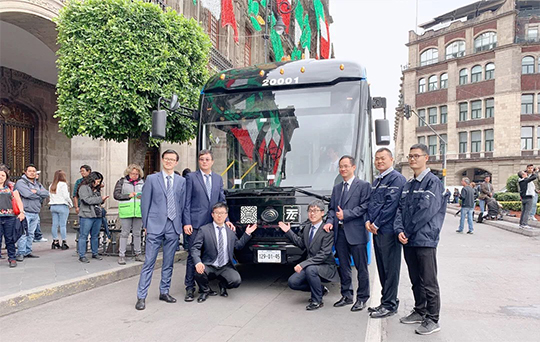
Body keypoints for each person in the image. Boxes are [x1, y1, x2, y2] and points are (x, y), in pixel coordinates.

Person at [394, 143, 446, 335]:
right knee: (415, 278)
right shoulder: (408, 185)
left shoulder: (433, 182)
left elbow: (426, 211)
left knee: (429, 281)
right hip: (409, 239)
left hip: (425, 239)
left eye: (417, 156)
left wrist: (406, 231)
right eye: (410, 156)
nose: (413, 159)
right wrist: (399, 229)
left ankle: (433, 319)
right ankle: (420, 310)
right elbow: (400, 209)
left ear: (426, 158)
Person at [135, 150, 186, 311]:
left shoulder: (181, 181)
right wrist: (145, 224)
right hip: (155, 225)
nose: (169, 161)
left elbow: (182, 204)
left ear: (176, 162)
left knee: (168, 262)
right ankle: (141, 296)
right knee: (149, 262)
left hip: (173, 225)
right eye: (167, 159)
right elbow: (145, 202)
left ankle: (164, 291)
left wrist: (182, 224)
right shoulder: (151, 179)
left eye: (172, 159)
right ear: (162, 160)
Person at [182, 150, 234, 302]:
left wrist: (227, 219)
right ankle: (189, 288)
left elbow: (222, 201)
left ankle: (205, 286)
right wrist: (187, 222)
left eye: (207, 159)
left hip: (214, 224)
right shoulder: (191, 177)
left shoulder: (218, 179)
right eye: (202, 159)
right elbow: (186, 202)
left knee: (211, 255)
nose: (204, 162)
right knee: (193, 256)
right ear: (199, 161)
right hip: (196, 224)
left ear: (212, 162)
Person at [323, 155, 371, 312]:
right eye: (340, 166)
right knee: (344, 266)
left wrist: (347, 214)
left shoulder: (363, 185)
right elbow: (331, 209)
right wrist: (330, 221)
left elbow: (365, 206)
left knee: (361, 267)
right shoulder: (337, 187)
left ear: (353, 167)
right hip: (340, 233)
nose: (343, 169)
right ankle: (347, 295)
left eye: (346, 166)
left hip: (356, 232)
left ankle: (362, 298)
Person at [365, 148, 406, 318]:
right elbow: (371, 203)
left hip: (388, 231)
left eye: (383, 158)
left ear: (391, 159)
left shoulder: (396, 179)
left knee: (390, 269)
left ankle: (390, 305)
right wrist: (367, 220)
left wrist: (376, 223)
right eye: (377, 159)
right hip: (377, 231)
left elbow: (391, 206)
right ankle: (386, 301)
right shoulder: (377, 181)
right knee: (382, 268)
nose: (379, 161)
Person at [191, 202, 257, 303]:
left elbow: (237, 246)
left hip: (225, 266)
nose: (219, 215)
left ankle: (223, 285)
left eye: (222, 213)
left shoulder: (230, 231)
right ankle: (205, 291)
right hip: (210, 264)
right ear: (212, 214)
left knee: (236, 281)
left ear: (226, 215)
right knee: (198, 272)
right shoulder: (204, 230)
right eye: (217, 213)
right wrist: (198, 262)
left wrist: (247, 233)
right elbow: (195, 248)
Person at [278, 200, 337, 310]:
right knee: (293, 282)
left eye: (315, 211)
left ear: (322, 213)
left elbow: (323, 254)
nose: (312, 214)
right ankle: (321, 289)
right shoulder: (307, 228)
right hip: (311, 265)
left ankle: (317, 300)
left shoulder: (327, 230)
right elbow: (301, 244)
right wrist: (288, 231)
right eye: (310, 211)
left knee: (311, 269)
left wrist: (303, 264)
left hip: (325, 266)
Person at [15, 164, 49, 261]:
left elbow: (46, 193)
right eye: (30, 171)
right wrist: (38, 194)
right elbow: (26, 194)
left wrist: (36, 192)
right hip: (24, 211)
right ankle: (20, 253)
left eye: (34, 171)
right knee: (23, 233)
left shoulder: (37, 184)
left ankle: (28, 251)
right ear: (25, 172)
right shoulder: (21, 182)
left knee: (31, 233)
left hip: (35, 212)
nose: (32, 173)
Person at [114, 164, 145, 265]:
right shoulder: (122, 182)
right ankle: (121, 255)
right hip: (126, 211)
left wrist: (142, 196)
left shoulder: (142, 182)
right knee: (124, 233)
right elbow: (116, 195)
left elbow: (148, 194)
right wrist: (128, 196)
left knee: (137, 233)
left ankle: (138, 253)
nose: (135, 176)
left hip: (139, 211)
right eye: (133, 173)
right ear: (128, 173)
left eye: (137, 174)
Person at [77, 172, 108, 263]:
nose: (98, 183)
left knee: (95, 235)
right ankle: (82, 255)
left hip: (96, 214)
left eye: (99, 182)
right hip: (87, 215)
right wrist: (100, 199)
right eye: (97, 181)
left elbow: (97, 202)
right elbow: (86, 200)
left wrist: (102, 200)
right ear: (92, 180)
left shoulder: (96, 189)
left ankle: (95, 252)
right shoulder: (83, 188)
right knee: (83, 235)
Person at [0, 165, 25, 267]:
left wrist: (22, 212)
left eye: (2, 175)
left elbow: (18, 200)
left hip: (9, 217)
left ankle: (12, 258)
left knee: (9, 239)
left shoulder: (11, 186)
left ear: (6, 176)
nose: (0, 177)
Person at [49, 170, 73, 250]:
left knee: (54, 224)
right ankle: (64, 241)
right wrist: (70, 203)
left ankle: (55, 241)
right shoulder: (63, 184)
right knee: (63, 225)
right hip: (62, 205)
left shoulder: (51, 185)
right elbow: (66, 196)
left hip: (53, 206)